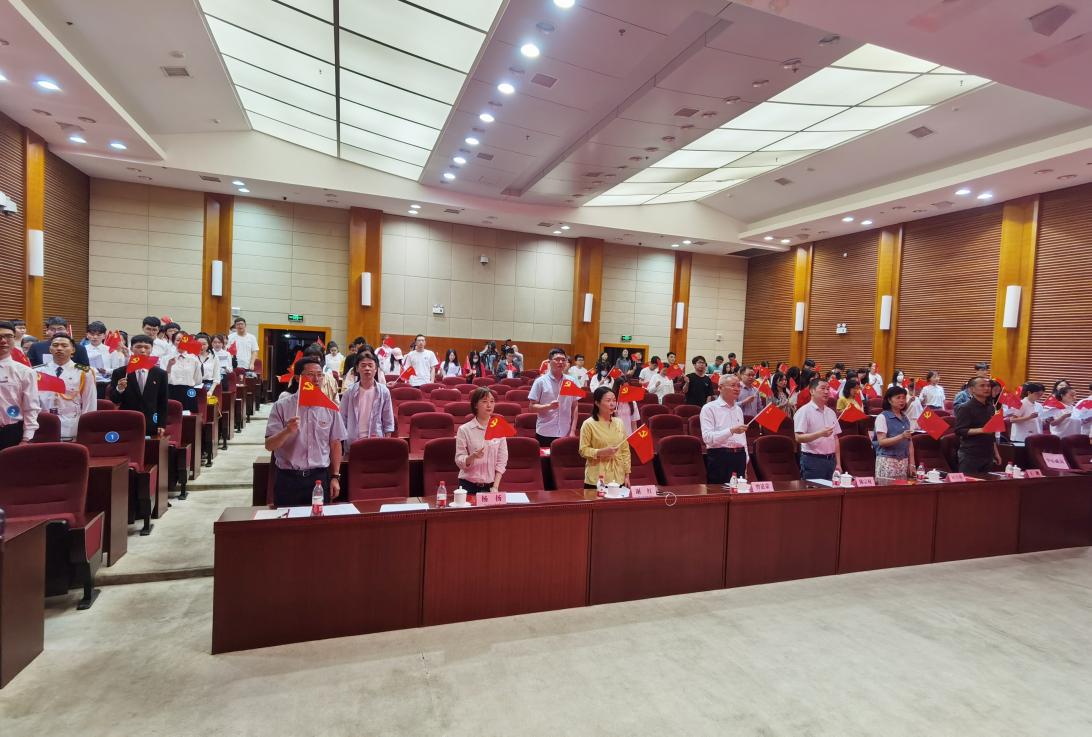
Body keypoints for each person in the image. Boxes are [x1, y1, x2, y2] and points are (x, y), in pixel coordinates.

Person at [265, 357, 347, 507]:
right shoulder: (281, 406)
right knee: (287, 520)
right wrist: (287, 431)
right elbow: (269, 445)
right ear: (298, 378)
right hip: (288, 478)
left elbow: (335, 444)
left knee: (318, 520)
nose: (316, 379)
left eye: (320, 375)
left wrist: (335, 476)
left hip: (318, 478)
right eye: (310, 374)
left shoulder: (330, 408)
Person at [36, 334, 97, 441]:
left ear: (73, 350)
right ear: (50, 349)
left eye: (64, 345)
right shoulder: (37, 372)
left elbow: (89, 403)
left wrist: (87, 427)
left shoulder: (84, 372)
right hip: (43, 422)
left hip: (71, 423)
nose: (59, 348)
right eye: (55, 345)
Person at [109, 335, 169, 437]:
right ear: (131, 348)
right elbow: (114, 400)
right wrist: (119, 389)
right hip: (127, 420)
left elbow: (163, 401)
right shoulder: (120, 372)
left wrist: (161, 424)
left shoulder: (160, 374)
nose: (142, 350)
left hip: (150, 421)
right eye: (138, 347)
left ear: (151, 349)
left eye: (146, 347)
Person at [454, 387, 509, 495]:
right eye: (484, 401)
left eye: (492, 401)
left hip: (491, 486)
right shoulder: (464, 429)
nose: (489, 405)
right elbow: (459, 460)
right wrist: (472, 457)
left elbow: (502, 460)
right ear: (475, 405)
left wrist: (495, 487)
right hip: (468, 486)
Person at [578, 386, 631, 489]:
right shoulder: (588, 424)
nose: (612, 404)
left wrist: (627, 475)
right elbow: (583, 450)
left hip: (618, 477)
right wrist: (601, 452)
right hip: (597, 478)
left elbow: (625, 451)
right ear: (597, 403)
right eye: (608, 400)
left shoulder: (619, 422)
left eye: (614, 400)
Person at [700, 374, 749, 484]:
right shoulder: (709, 408)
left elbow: (742, 438)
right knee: (719, 492)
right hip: (720, 457)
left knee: (739, 492)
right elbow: (707, 438)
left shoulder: (738, 410)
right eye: (733, 385)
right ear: (720, 387)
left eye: (739, 386)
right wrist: (731, 431)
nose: (737, 389)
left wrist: (745, 460)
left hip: (740, 457)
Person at [0, 320, 41, 448]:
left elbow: (31, 407)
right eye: (0, 337)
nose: (3, 340)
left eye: (8, 336)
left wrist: (27, 438)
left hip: (10, 432)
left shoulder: (25, 372)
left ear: (15, 338)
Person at [339, 352, 394, 444]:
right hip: (353, 440)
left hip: (376, 439)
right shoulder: (349, 392)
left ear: (376, 369)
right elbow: (342, 419)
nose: (367, 368)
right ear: (357, 368)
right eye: (363, 365)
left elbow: (388, 419)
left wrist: (387, 442)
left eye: (370, 365)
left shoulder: (384, 391)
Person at [527, 347, 578, 447]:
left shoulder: (571, 381)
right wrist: (548, 406)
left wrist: (572, 430)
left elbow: (575, 406)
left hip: (565, 432)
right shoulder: (540, 381)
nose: (561, 362)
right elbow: (531, 407)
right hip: (545, 432)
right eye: (557, 359)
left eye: (563, 360)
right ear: (549, 361)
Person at [794, 377, 841, 480]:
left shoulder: (831, 412)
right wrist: (820, 434)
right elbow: (798, 438)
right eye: (823, 388)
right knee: (814, 490)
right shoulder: (804, 411)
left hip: (831, 461)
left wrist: (838, 463)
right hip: (813, 460)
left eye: (828, 389)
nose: (826, 392)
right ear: (812, 391)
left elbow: (836, 438)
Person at [953, 376, 1003, 473]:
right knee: (969, 481)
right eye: (982, 386)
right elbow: (959, 430)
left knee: (986, 481)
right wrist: (982, 430)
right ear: (972, 389)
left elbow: (991, 433)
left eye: (988, 386)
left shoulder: (991, 407)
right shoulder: (965, 408)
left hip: (988, 454)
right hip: (970, 454)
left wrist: (996, 453)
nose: (987, 388)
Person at [873, 386, 915, 479]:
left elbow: (910, 442)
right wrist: (901, 436)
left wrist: (912, 463)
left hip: (903, 461)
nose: (902, 401)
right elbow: (882, 442)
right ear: (889, 400)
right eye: (898, 398)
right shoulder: (882, 417)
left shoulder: (905, 418)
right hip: (887, 460)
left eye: (904, 398)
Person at [26, 316, 91, 367]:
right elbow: (30, 367)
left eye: (60, 329)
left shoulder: (79, 348)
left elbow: (85, 369)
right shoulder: (36, 347)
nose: (56, 332)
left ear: (67, 331)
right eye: (52, 329)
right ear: (47, 331)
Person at [166, 332, 203, 412]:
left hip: (188, 391)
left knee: (190, 416)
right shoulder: (166, 358)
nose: (181, 343)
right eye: (178, 340)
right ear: (173, 342)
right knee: (172, 415)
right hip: (171, 390)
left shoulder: (194, 358)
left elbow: (198, 380)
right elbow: (163, 379)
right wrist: (169, 366)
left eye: (184, 340)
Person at [84, 321, 121, 399]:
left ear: (104, 336)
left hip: (104, 385)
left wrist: (106, 371)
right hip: (86, 383)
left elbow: (117, 370)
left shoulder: (111, 351)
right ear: (87, 335)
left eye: (98, 335)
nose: (95, 337)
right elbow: (77, 366)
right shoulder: (82, 350)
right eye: (92, 334)